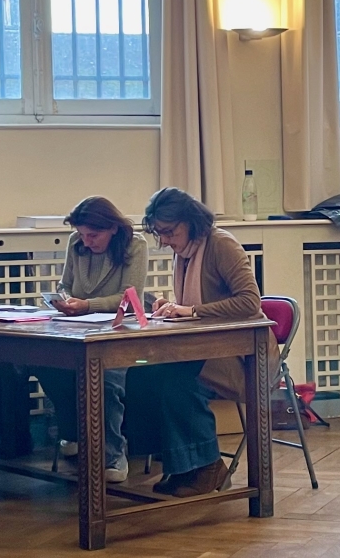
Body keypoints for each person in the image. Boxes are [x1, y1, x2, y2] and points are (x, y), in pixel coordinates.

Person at [124, 187, 263, 496]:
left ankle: (209, 467)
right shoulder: (186, 251)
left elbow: (249, 302)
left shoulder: (221, 245)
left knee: (174, 382)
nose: (165, 241)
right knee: (142, 373)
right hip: (207, 349)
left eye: (169, 232)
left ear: (191, 222)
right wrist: (171, 307)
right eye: (159, 234)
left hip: (242, 356)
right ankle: (181, 466)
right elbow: (197, 304)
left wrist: (192, 311)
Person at [38, 196, 148, 483]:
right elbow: (65, 284)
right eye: (83, 234)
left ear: (113, 228)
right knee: (46, 364)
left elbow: (129, 297)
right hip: (78, 327)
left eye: (93, 235)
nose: (86, 242)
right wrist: (63, 299)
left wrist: (87, 305)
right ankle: (74, 433)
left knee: (106, 378)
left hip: (119, 331)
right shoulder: (76, 242)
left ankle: (113, 454)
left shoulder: (135, 246)